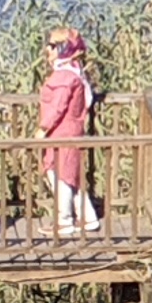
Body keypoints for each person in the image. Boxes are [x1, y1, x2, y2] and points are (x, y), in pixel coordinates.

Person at [39, 28, 99, 234]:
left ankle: (64, 221)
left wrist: (42, 128)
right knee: (69, 174)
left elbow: (58, 106)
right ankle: (87, 216)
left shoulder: (65, 76)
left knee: (60, 175)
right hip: (71, 130)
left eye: (53, 46)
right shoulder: (75, 72)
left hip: (62, 132)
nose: (48, 49)